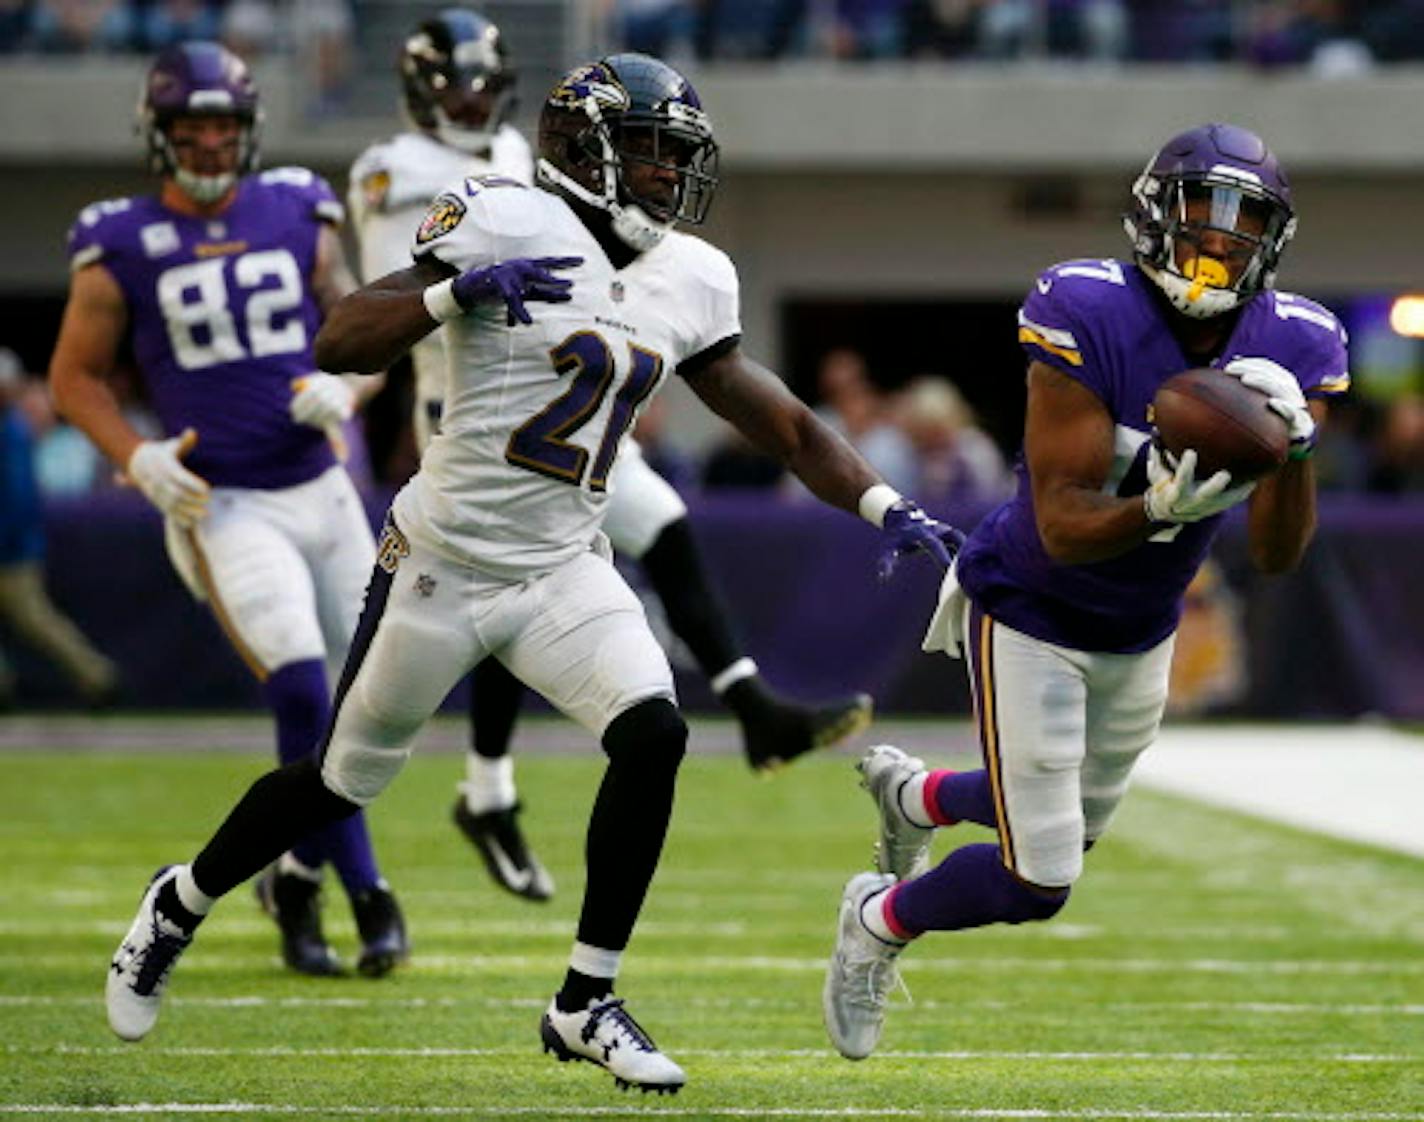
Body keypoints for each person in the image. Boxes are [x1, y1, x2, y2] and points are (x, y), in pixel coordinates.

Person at [102, 51, 961, 1093]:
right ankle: (177, 905)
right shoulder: (500, 216)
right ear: (587, 148)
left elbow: (776, 419)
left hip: (561, 564)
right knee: (337, 781)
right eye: (648, 156)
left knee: (653, 735)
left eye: (675, 160)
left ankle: (584, 1000)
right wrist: (453, 290)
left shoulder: (691, 275)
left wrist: (883, 501)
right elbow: (337, 339)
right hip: (443, 562)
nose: (665, 179)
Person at [822, 122, 1350, 1060]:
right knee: (1040, 878)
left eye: (1241, 229)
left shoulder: (1297, 340)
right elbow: (1064, 526)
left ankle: (920, 798)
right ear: (1152, 219)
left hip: (1144, 626)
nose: (1219, 244)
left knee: (1070, 826)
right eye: (1202, 221)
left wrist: (1296, 448)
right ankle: (879, 922)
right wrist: (1156, 507)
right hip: (1030, 605)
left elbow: (1275, 556)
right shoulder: (1086, 309)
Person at [348, 9, 873, 903]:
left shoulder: (518, 155)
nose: (473, 98)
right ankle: (485, 790)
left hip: (573, 399)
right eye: (455, 83)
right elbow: (401, 289)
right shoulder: (399, 172)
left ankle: (747, 714)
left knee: (654, 528)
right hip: (482, 400)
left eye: (485, 81)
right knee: (500, 587)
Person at [50, 42, 408, 980]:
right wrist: (135, 454)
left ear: (247, 133)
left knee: (362, 697)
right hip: (223, 500)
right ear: (159, 135)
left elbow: (368, 323)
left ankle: (293, 872)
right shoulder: (118, 237)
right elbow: (73, 376)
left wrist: (354, 393)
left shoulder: (298, 206)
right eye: (191, 130)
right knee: (301, 691)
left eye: (223, 129)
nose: (210, 147)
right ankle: (363, 891)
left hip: (323, 487)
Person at [0, 350, 118, 709]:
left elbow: (18, 497)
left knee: (36, 620)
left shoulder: (12, 432)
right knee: (37, 621)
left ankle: (99, 679)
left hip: (12, 549)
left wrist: (9, 541)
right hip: (14, 544)